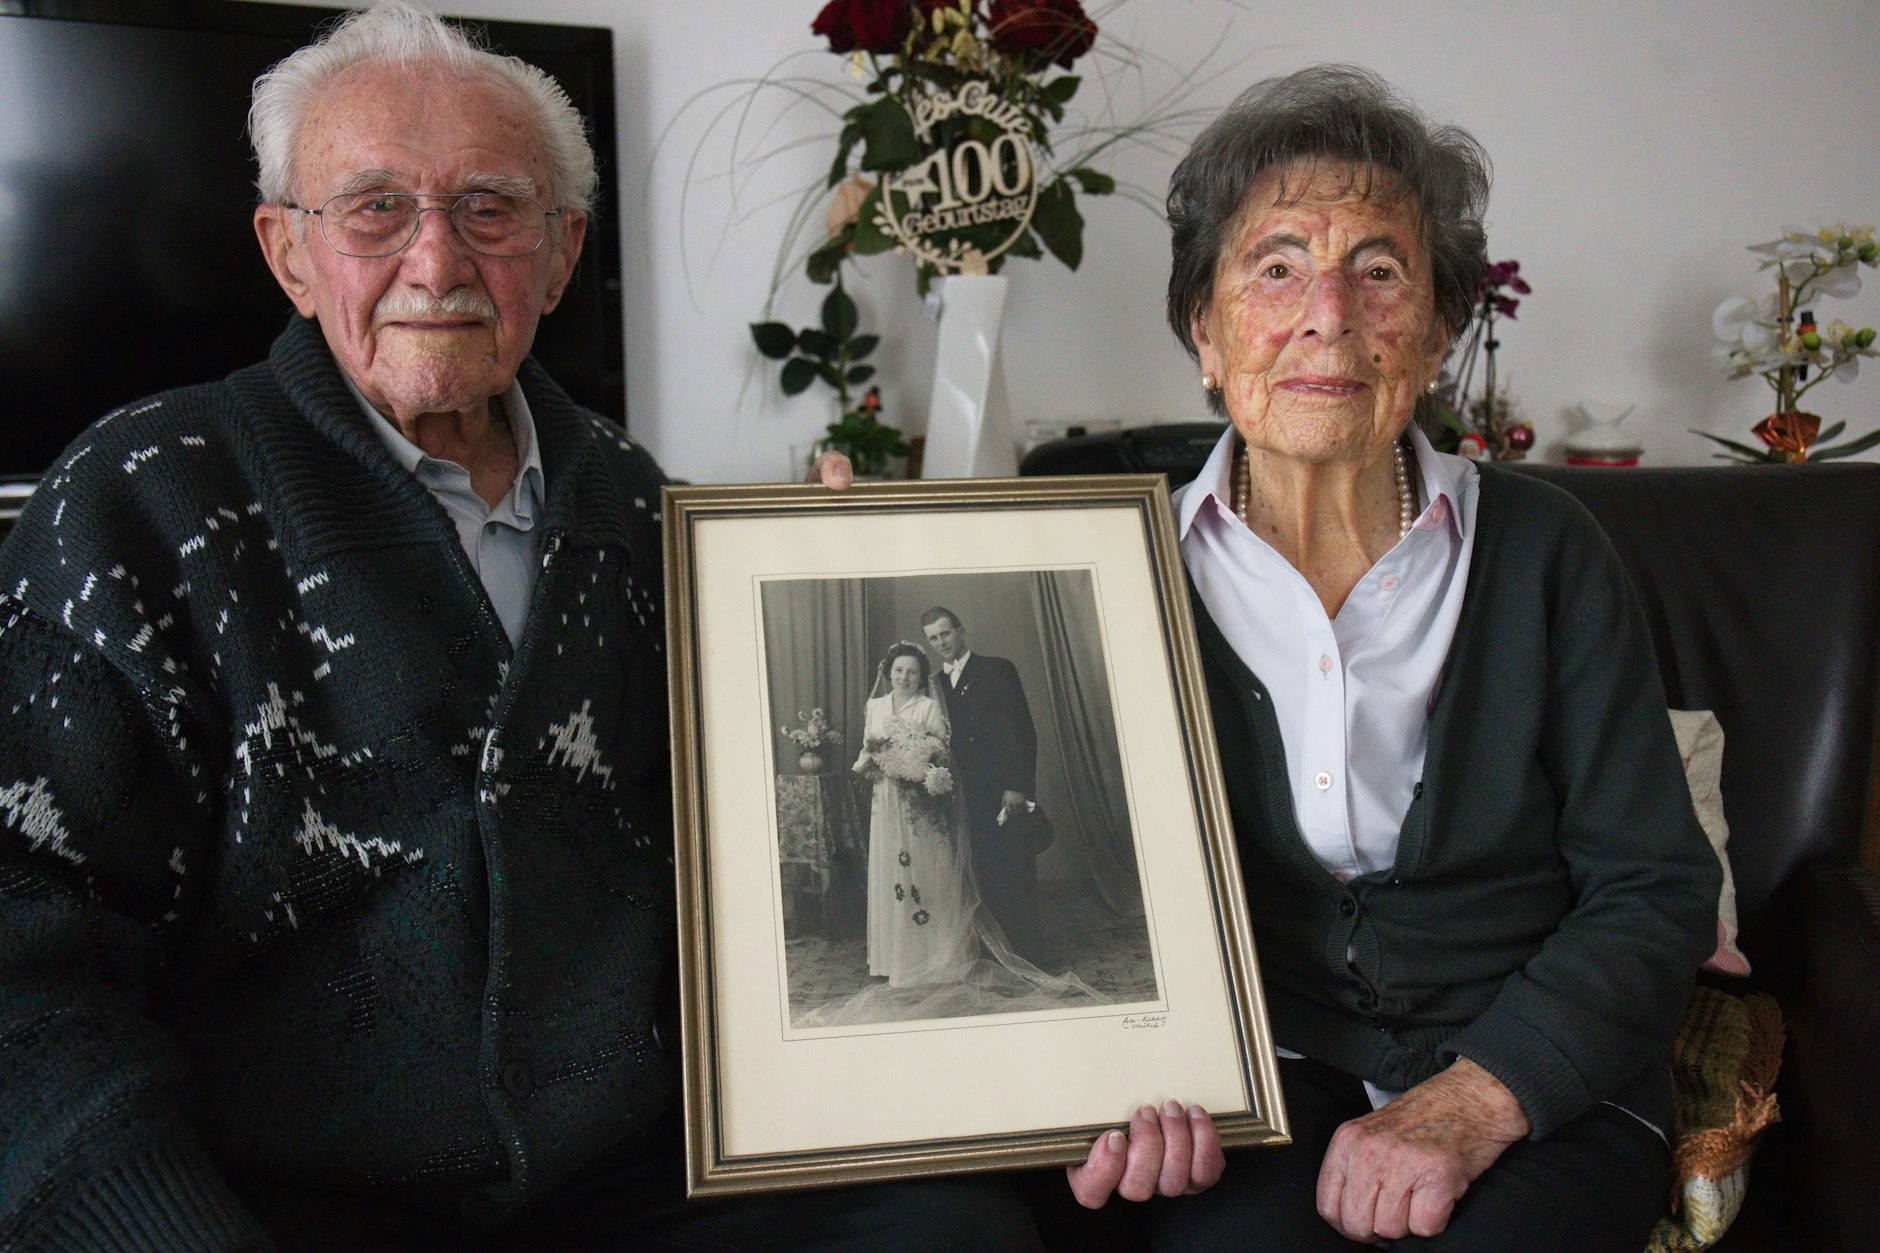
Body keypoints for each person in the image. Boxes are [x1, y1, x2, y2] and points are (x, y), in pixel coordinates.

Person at [0, 4, 1043, 1249]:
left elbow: (745, 870)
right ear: (287, 251)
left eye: (489, 210)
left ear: (559, 254)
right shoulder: (142, 498)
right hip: (289, 1203)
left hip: (638, 1174)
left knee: (970, 1229)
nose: (436, 262)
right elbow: (26, 953)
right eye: (375, 208)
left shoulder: (644, 507)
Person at [1066, 65, 1720, 1250]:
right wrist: (1113, 1076)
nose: (1327, 311)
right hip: (1268, 1075)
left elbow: (1654, 887)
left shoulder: (1545, 553)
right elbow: (1082, 888)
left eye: (1377, 269)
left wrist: (1478, 1098)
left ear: (1434, 332)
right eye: (1274, 267)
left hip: (1537, 1068)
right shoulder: (1119, 570)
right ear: (1205, 334)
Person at [919, 606, 1045, 965]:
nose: (941, 643)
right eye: (933, 638)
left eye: (945, 633)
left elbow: (1021, 731)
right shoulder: (935, 684)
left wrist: (1017, 785)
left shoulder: (997, 669)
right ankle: (992, 956)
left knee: (1013, 869)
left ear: (961, 630)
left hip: (1001, 789)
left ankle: (1027, 956)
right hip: (961, 794)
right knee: (979, 873)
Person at [855, 641, 977, 987]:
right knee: (888, 865)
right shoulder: (875, 706)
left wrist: (915, 763)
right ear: (888, 672)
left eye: (912, 672)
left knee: (921, 866)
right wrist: (873, 764)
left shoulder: (927, 707)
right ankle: (891, 958)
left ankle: (928, 956)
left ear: (921, 677)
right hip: (884, 799)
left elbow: (941, 753)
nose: (904, 677)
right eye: (898, 670)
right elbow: (866, 749)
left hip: (917, 802)